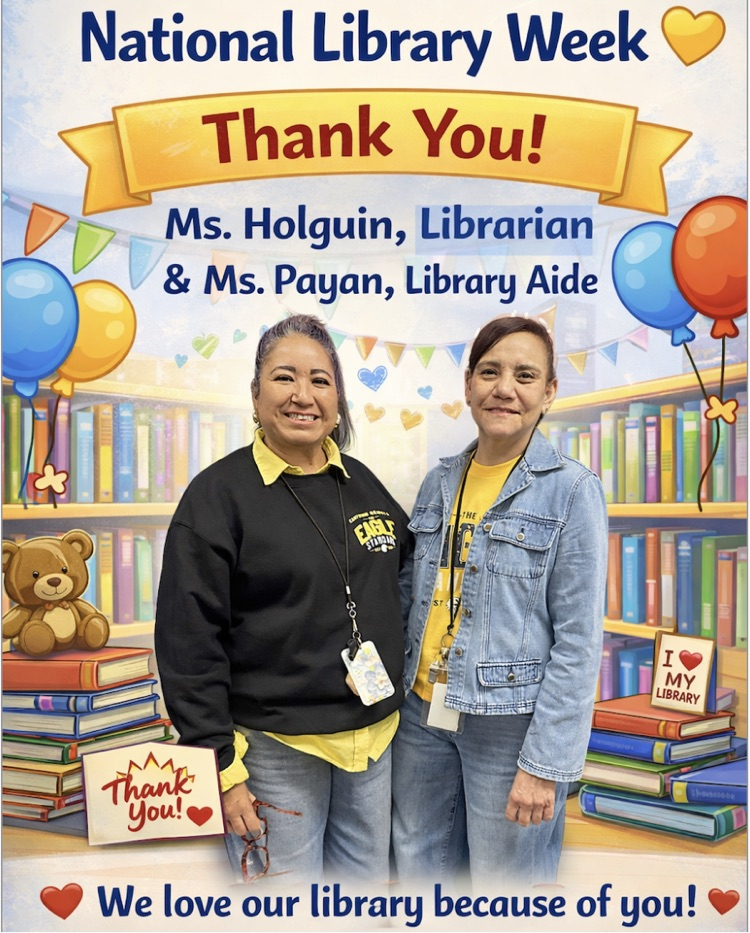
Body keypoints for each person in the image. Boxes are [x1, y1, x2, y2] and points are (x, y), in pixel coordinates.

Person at [154, 313, 413, 884]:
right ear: (255, 393)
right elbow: (187, 645)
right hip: (273, 754)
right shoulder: (217, 498)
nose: (303, 395)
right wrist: (222, 769)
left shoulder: (362, 482)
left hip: (371, 747)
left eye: (320, 380)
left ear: (338, 399)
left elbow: (405, 579)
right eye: (284, 378)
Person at [391, 315, 607, 887]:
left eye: (524, 374)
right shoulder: (439, 481)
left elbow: (580, 643)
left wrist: (544, 765)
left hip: (509, 726)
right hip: (421, 710)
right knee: (419, 870)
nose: (504, 388)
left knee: (506, 889)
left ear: (549, 392)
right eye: (490, 371)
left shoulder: (573, 490)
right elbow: (415, 593)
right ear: (468, 385)